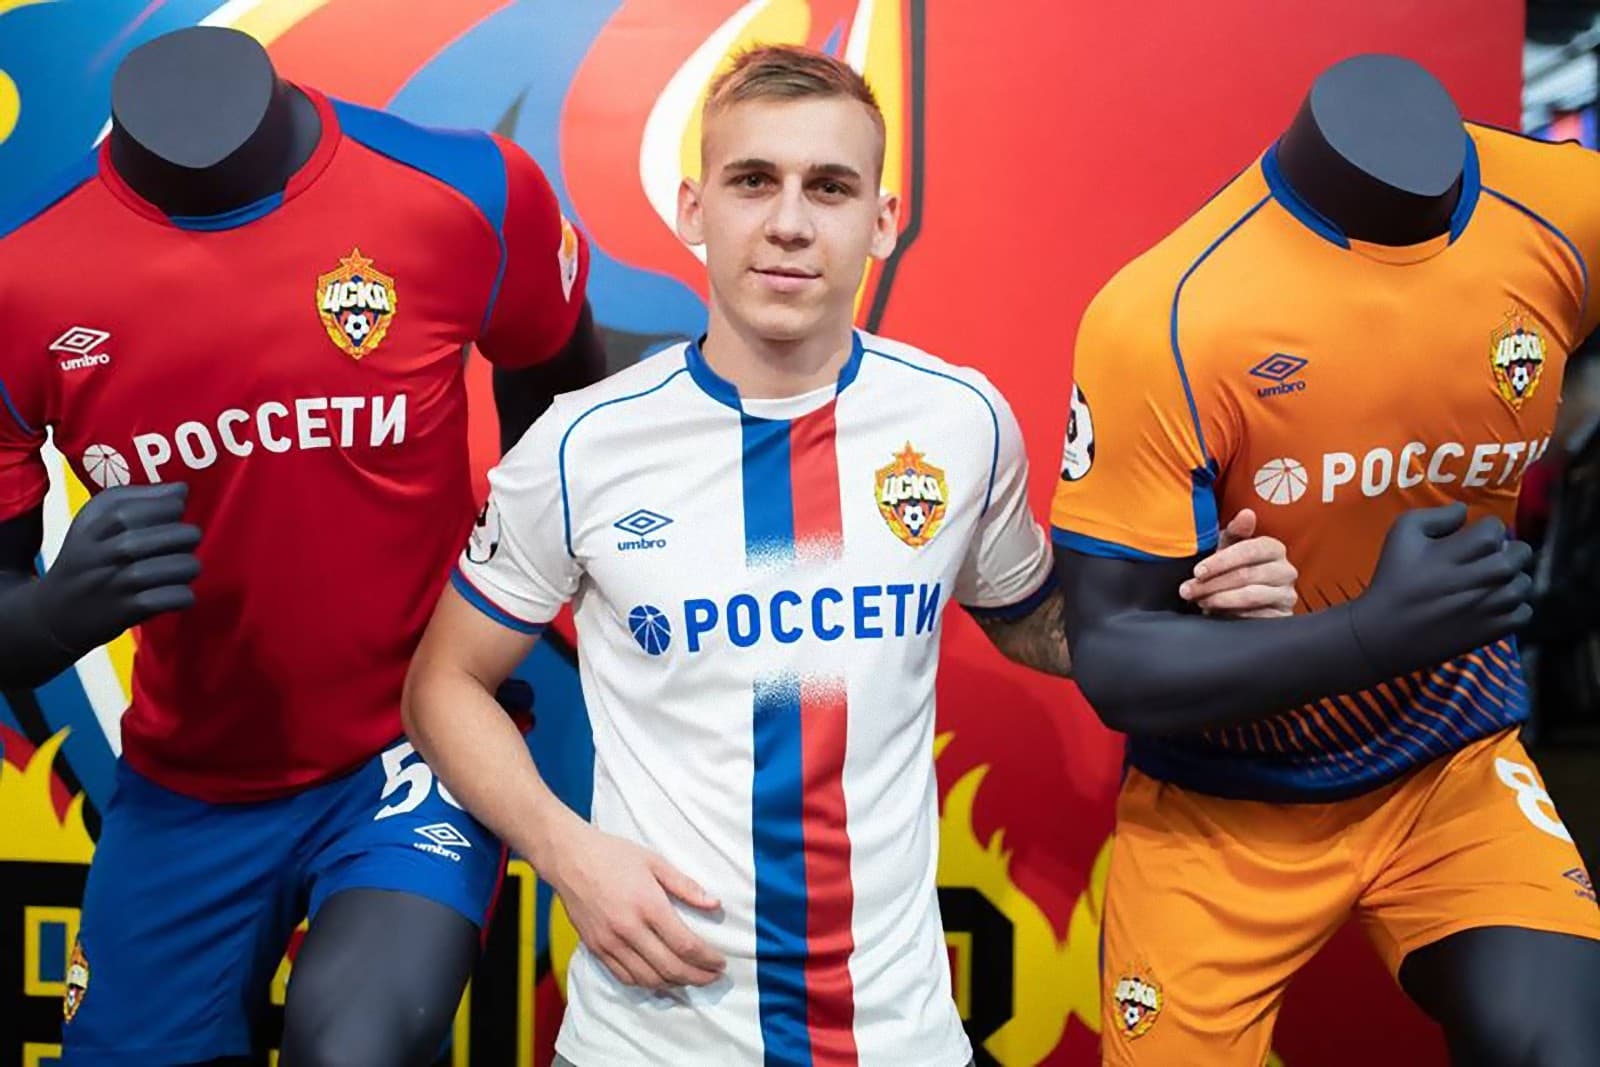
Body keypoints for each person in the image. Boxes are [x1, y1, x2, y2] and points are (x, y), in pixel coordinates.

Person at [403, 45, 1310, 1067]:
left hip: (898, 1037)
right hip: (645, 1039)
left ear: (881, 220)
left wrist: (1196, 609)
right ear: (694, 208)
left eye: (829, 187)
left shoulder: (961, 421)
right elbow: (443, 685)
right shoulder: (581, 444)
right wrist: (566, 851)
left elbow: (1040, 624)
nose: (789, 222)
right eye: (754, 181)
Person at [0, 27, 601, 1065]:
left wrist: (510, 580)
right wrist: (53, 614)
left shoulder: (463, 192)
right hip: (188, 778)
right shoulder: (22, 276)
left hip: (415, 743)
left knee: (352, 1046)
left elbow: (570, 401)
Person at [1050, 54, 1600, 1066]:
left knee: (1555, 1044)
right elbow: (1115, 653)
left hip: (1448, 767)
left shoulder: (1564, 212)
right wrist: (1367, 634)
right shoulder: (1172, 311)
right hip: (1221, 809)